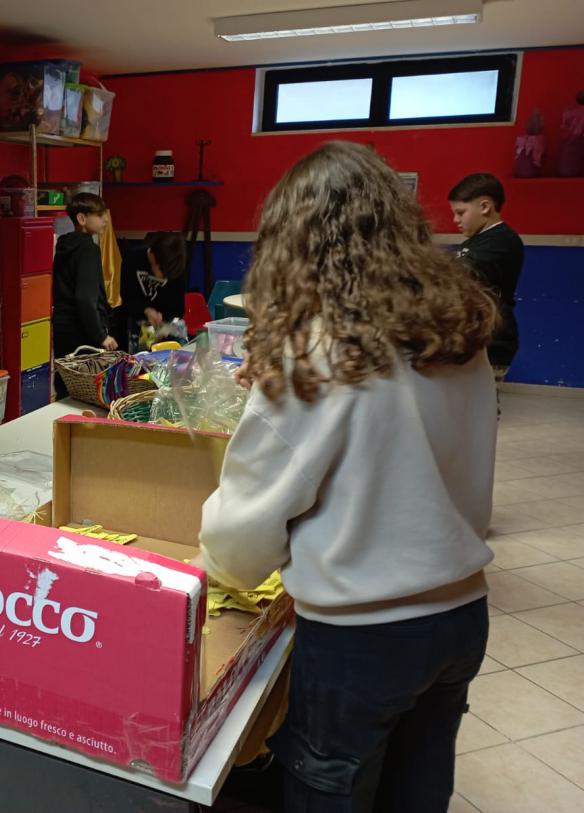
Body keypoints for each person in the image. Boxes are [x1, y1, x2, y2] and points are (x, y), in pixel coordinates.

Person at [198, 142, 499, 813]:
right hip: (460, 614)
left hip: (364, 637)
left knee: (330, 791)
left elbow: (240, 542)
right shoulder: (455, 335)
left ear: (294, 245)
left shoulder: (313, 356)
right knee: (418, 787)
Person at [448, 172, 525, 384]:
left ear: (484, 207)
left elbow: (457, 272)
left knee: (479, 401)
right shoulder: (475, 241)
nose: (455, 220)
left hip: (492, 341)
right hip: (473, 339)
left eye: (460, 213)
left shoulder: (503, 240)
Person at [52, 192, 117, 396]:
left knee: (66, 385)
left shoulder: (64, 245)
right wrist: (101, 335)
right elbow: (85, 298)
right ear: (82, 218)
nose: (105, 220)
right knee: (87, 390)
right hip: (83, 331)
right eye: (99, 215)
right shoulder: (88, 249)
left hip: (63, 328)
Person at [117, 230, 187, 351]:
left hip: (167, 324)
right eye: (163, 273)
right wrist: (146, 310)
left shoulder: (175, 264)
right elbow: (127, 296)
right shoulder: (132, 259)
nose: (165, 278)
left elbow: (178, 307)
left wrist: (166, 323)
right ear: (154, 260)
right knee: (144, 357)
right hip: (140, 321)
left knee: (178, 356)